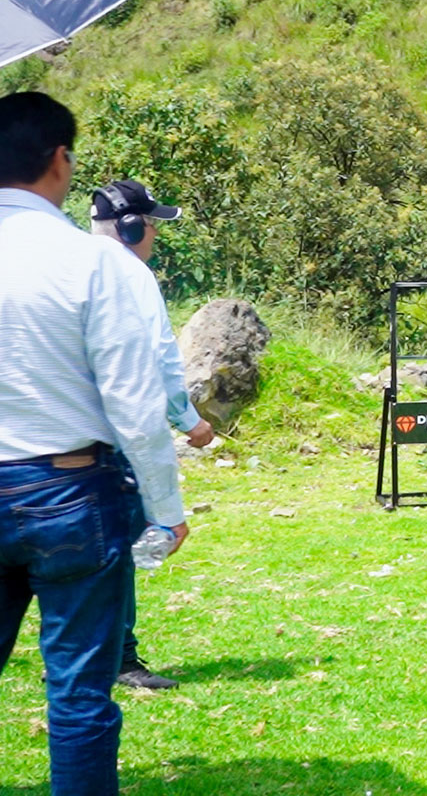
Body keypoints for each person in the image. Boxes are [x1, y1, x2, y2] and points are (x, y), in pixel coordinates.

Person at [0, 91, 188, 796]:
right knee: (77, 694)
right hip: (70, 489)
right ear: (59, 160)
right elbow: (134, 404)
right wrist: (165, 508)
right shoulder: (97, 263)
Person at [91, 179, 213, 690]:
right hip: (111, 442)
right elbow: (161, 364)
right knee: (122, 545)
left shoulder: (54, 262)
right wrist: (190, 421)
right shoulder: (130, 276)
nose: (156, 235)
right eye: (152, 224)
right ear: (131, 226)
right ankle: (121, 658)